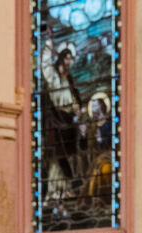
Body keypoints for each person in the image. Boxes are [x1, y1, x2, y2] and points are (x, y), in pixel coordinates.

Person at [40, 39, 83, 215]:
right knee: (58, 155)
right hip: (56, 120)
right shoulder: (54, 77)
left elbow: (75, 99)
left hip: (68, 121)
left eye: (70, 60)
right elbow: (45, 66)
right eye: (67, 59)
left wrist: (77, 110)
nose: (68, 63)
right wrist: (49, 44)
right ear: (61, 59)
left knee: (70, 154)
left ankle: (67, 191)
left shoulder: (69, 79)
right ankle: (54, 193)